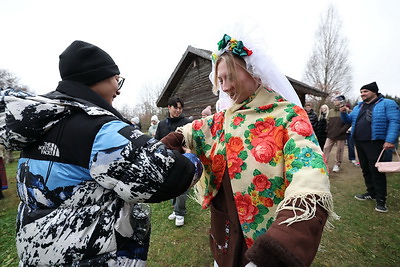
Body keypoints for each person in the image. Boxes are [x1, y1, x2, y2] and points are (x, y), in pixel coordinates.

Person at [0, 40, 202, 266]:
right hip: (92, 257)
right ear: (98, 77)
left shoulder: (43, 123)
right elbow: (168, 176)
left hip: (38, 254)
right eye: (117, 79)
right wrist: (191, 159)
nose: (118, 89)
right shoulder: (99, 129)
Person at [162, 34, 337, 266]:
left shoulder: (288, 116)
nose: (225, 87)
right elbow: (189, 131)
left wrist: (280, 246)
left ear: (253, 71)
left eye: (230, 77)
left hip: (264, 241)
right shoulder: (222, 118)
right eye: (220, 80)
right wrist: (163, 146)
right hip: (224, 234)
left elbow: (309, 174)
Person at [340, 81, 400, 213]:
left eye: (365, 91)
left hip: (376, 142)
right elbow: (348, 120)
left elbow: (395, 121)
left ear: (374, 91)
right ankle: (371, 192)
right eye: (361, 92)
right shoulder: (358, 107)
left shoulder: (387, 103)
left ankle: (381, 200)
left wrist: (390, 140)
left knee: (376, 170)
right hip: (359, 142)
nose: (362, 94)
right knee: (365, 168)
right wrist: (344, 113)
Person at [155, 97, 192, 226]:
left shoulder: (186, 123)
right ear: (169, 107)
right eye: (175, 107)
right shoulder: (161, 124)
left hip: (182, 159)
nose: (178, 110)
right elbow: (157, 141)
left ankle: (180, 212)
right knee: (171, 186)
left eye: (180, 108)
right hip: (167, 160)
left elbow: (190, 141)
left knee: (182, 186)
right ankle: (176, 209)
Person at [323, 95, 351, 172]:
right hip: (331, 134)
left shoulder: (346, 111)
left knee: (339, 150)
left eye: (336, 100)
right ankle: (324, 164)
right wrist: (328, 130)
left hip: (341, 135)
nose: (335, 101)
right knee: (326, 148)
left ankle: (337, 165)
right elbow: (328, 122)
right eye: (334, 100)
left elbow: (348, 123)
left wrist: (341, 131)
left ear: (341, 101)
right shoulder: (331, 111)